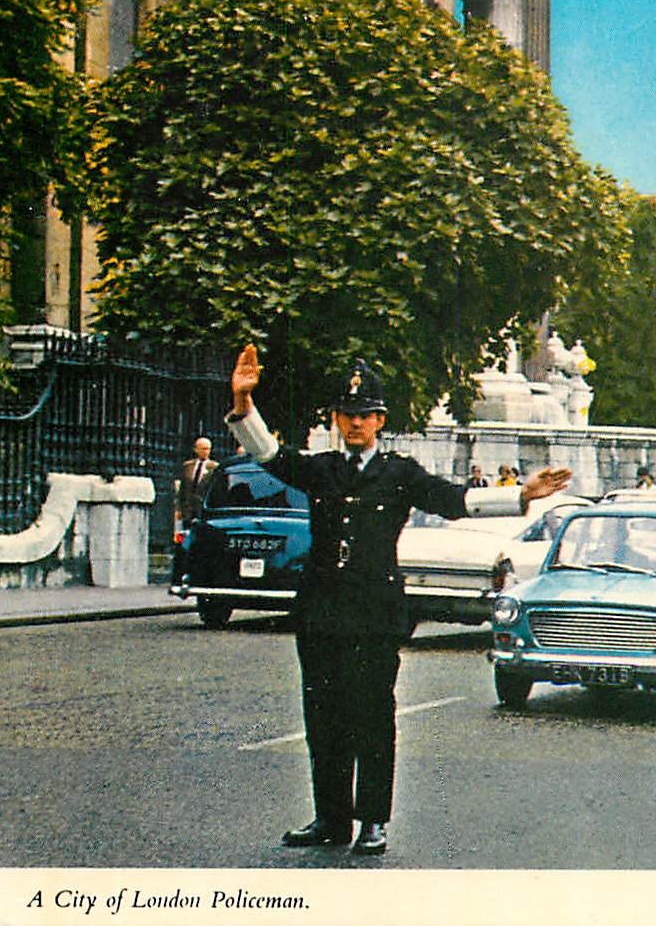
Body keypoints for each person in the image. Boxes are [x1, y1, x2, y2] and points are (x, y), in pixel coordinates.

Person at [225, 346, 569, 856]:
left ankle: (372, 821)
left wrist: (521, 495)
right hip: (321, 613)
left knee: (371, 717)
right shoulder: (320, 469)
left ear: (380, 420)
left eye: (365, 415)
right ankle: (331, 818)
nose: (356, 423)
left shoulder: (397, 473)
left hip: (372, 615)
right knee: (323, 717)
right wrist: (243, 402)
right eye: (348, 414)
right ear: (337, 419)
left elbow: (454, 501)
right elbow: (269, 456)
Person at [171, 437, 219, 585]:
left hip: (203, 512)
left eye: (208, 449)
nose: (206, 452)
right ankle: (181, 575)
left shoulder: (214, 467)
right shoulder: (188, 466)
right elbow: (183, 490)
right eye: (203, 448)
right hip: (188, 511)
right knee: (185, 542)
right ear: (196, 449)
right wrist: (179, 508)